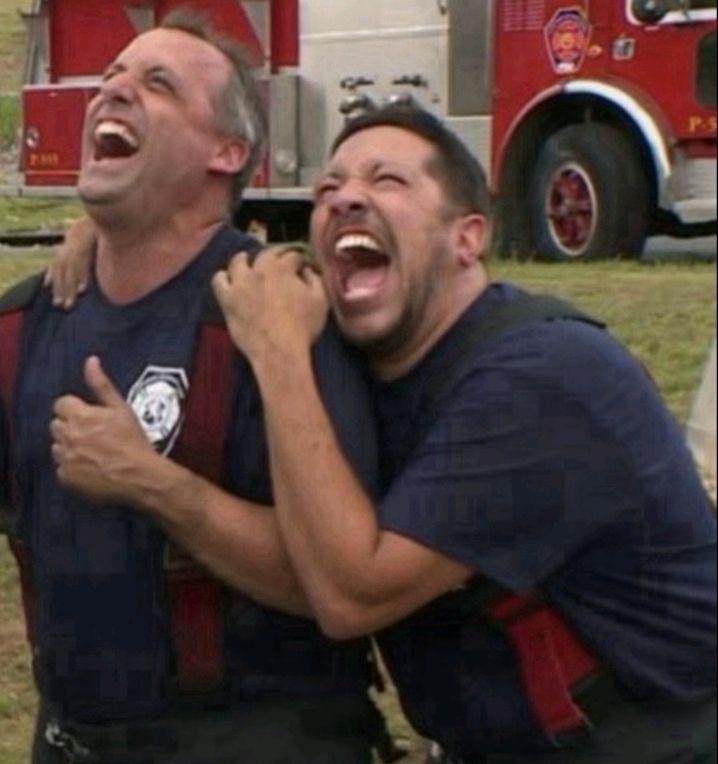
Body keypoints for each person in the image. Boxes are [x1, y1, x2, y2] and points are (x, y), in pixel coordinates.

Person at [210, 106, 717, 763]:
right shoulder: (374, 360)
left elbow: (349, 596)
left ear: (468, 238)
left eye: (387, 180)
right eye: (328, 187)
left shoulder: (541, 376)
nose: (346, 198)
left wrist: (275, 357)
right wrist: (98, 240)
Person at [0, 11, 383, 764]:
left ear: (226, 151)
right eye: (111, 75)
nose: (113, 91)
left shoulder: (277, 315)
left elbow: (332, 583)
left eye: (158, 84)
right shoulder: (23, 325)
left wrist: (151, 482)